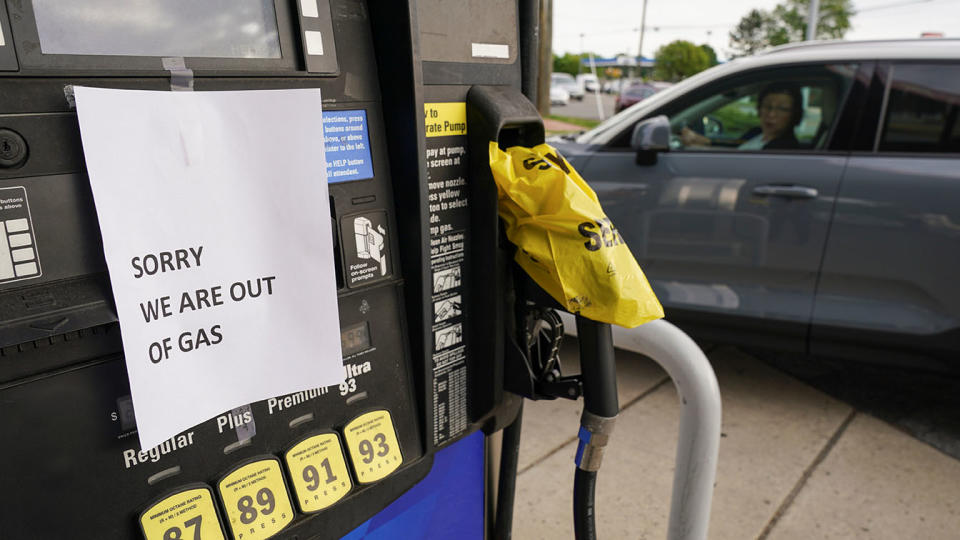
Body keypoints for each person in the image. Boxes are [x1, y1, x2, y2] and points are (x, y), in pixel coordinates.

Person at [681, 83, 803, 150]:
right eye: (767, 106)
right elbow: (734, 145)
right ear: (759, 108)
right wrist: (699, 140)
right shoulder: (756, 133)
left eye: (782, 109)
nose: (771, 114)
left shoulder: (784, 148)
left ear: (794, 114)